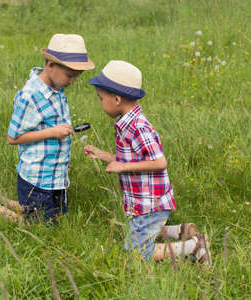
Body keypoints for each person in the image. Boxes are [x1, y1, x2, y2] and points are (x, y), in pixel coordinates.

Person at [84, 60, 211, 264]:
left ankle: (193, 247)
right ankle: (181, 231)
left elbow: (160, 162)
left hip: (150, 203)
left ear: (116, 99)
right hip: (142, 202)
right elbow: (133, 159)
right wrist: (104, 155)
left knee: (137, 254)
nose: (99, 103)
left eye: (101, 98)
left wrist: (122, 166)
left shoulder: (137, 127)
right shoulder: (127, 123)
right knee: (137, 232)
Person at [0, 34, 95, 223]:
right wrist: (53, 132)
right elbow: (13, 138)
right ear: (50, 65)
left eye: (76, 77)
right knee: (39, 225)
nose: (72, 81)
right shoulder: (30, 96)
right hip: (38, 176)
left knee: (58, 216)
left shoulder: (57, 90)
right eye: (70, 76)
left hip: (55, 174)